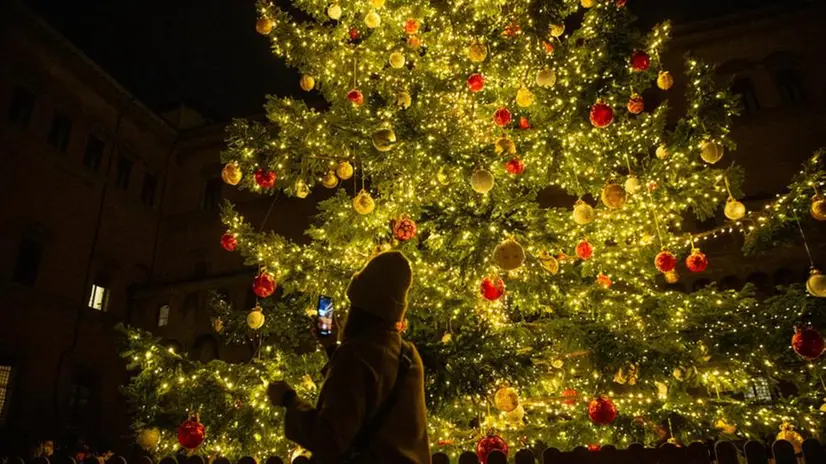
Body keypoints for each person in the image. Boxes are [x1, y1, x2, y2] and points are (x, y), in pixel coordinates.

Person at [268, 251, 431, 464]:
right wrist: (331, 348)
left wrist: (288, 399)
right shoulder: (408, 355)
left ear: (361, 308)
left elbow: (329, 438)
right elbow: (375, 383)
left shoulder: (355, 355)